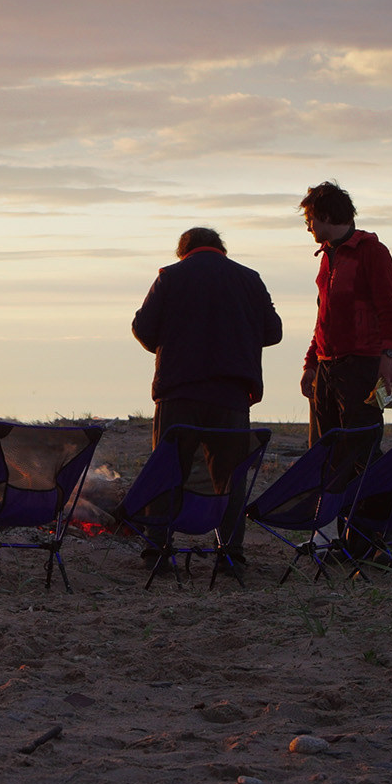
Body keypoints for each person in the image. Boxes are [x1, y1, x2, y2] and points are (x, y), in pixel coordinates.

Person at [131, 227, 282, 569]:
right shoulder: (249, 279)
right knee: (230, 477)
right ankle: (230, 552)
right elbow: (273, 331)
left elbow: (143, 328)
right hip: (231, 394)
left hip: (179, 391)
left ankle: (157, 550)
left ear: (183, 252)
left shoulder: (170, 277)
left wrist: (171, 346)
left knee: (168, 471)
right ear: (220, 249)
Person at [299, 181, 392, 445]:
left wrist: (387, 355)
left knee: (360, 448)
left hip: (360, 366)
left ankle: (368, 488)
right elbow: (323, 318)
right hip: (326, 368)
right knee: (326, 452)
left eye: (310, 219)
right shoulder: (326, 256)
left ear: (324, 216)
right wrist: (311, 364)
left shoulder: (372, 252)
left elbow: (390, 309)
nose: (308, 227)